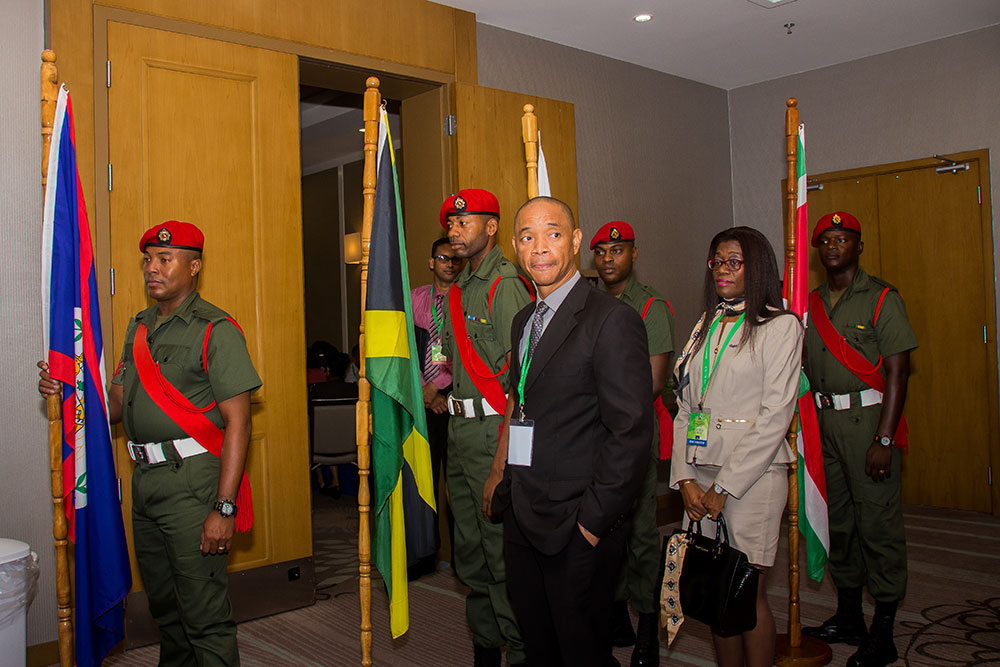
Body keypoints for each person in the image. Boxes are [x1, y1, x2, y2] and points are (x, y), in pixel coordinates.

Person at [38, 220, 260, 666]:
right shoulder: (139, 328)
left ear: (194, 267)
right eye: (147, 260)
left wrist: (224, 508)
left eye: (164, 259)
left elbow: (239, 423)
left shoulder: (216, 329)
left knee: (204, 616)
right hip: (146, 485)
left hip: (194, 485)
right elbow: (115, 406)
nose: (151, 268)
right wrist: (69, 394)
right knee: (167, 611)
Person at [489, 197, 653, 667]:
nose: (540, 248)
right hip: (523, 513)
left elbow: (630, 434)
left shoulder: (611, 319)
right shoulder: (525, 320)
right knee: (538, 646)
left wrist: (591, 526)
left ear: (576, 240)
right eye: (527, 237)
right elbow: (525, 404)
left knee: (581, 650)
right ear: (515, 246)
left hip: (577, 524)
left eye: (554, 234)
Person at [670, 226, 802, 667]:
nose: (721, 270)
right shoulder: (705, 324)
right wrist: (684, 479)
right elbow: (686, 407)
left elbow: (775, 417)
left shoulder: (780, 327)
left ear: (757, 267)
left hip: (751, 480)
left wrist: (723, 487)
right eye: (716, 262)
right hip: (700, 472)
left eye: (733, 262)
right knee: (714, 589)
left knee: (746, 591)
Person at [801, 211, 916, 667]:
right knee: (838, 524)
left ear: (859, 246)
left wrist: (884, 440)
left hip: (868, 425)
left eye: (842, 239)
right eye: (826, 240)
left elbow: (898, 372)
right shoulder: (809, 303)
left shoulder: (882, 298)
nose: (833, 247)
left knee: (878, 526)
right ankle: (850, 616)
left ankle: (883, 633)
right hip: (822, 426)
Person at [439, 188, 531, 667]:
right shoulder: (459, 288)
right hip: (460, 433)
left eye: (464, 222)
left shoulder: (505, 285)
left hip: (495, 431)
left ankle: (522, 651)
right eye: (451, 224)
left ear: (491, 228)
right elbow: (454, 363)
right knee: (471, 553)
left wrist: (503, 462)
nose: (454, 231)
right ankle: (485, 648)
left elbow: (522, 381)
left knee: (500, 553)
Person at [591, 221, 675, 667]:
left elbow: (654, 382)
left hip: (633, 434)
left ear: (633, 254)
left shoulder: (650, 307)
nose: (608, 259)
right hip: (593, 436)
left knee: (641, 532)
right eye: (601, 251)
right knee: (604, 529)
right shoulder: (588, 303)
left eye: (617, 250)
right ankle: (616, 615)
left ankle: (647, 628)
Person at [409, 236, 463, 577]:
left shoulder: (466, 298)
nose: (449, 264)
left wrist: (438, 387)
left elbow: (466, 353)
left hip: (454, 398)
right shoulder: (415, 298)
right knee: (422, 479)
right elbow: (405, 347)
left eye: (455, 259)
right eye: (443, 258)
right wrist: (423, 390)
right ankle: (423, 555)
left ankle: (461, 561)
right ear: (432, 262)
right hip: (421, 400)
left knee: (455, 483)